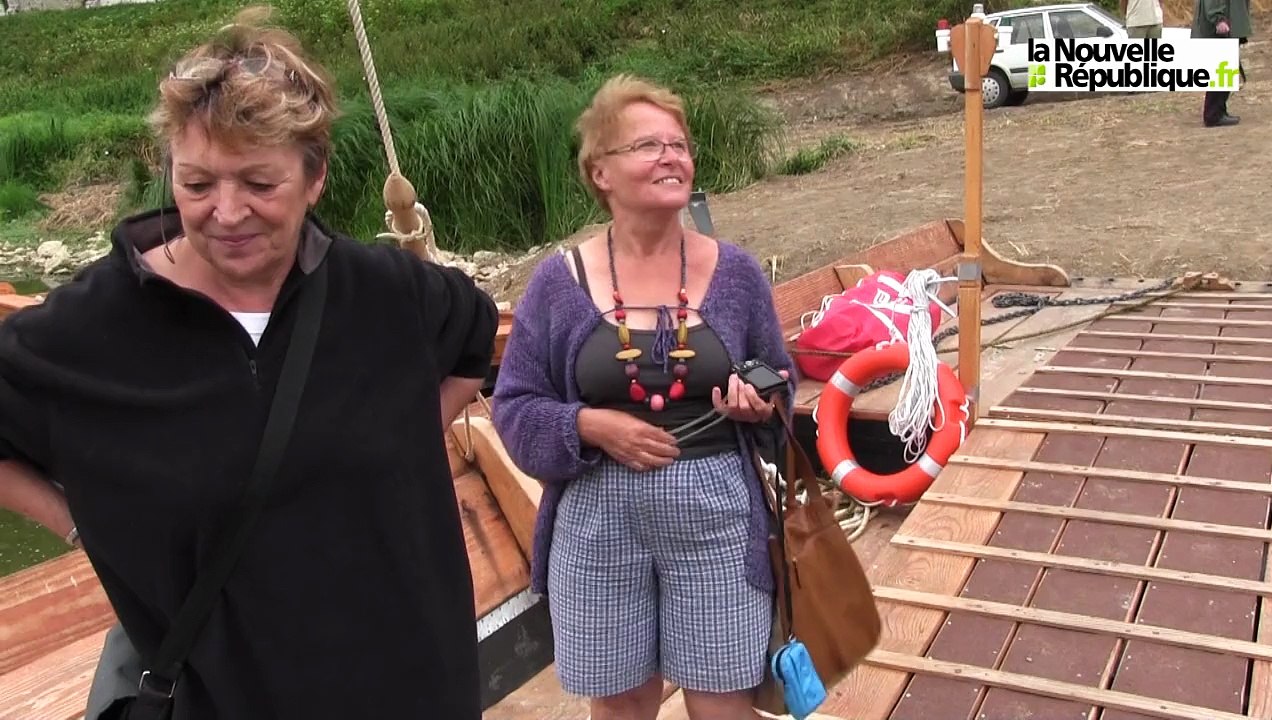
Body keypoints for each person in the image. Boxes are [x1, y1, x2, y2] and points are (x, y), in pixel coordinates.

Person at [0, 8, 498, 719]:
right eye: (197, 184)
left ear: (315, 177)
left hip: (413, 687)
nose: (227, 213)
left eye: (259, 184)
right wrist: (80, 521)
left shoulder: (387, 294)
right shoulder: (90, 327)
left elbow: (474, 340)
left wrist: (399, 447)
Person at [491, 74, 796, 720]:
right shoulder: (558, 283)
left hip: (716, 513)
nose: (671, 157)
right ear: (600, 171)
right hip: (596, 520)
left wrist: (759, 402)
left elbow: (781, 380)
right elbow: (514, 406)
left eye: (679, 145)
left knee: (722, 701)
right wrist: (590, 426)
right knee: (623, 704)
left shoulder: (737, 274)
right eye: (648, 145)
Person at [1193, 0, 1251, 126]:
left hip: (1227, 23)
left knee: (1225, 69)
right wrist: (1218, 19)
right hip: (1219, 27)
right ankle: (1213, 115)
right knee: (1221, 69)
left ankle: (1219, 111)